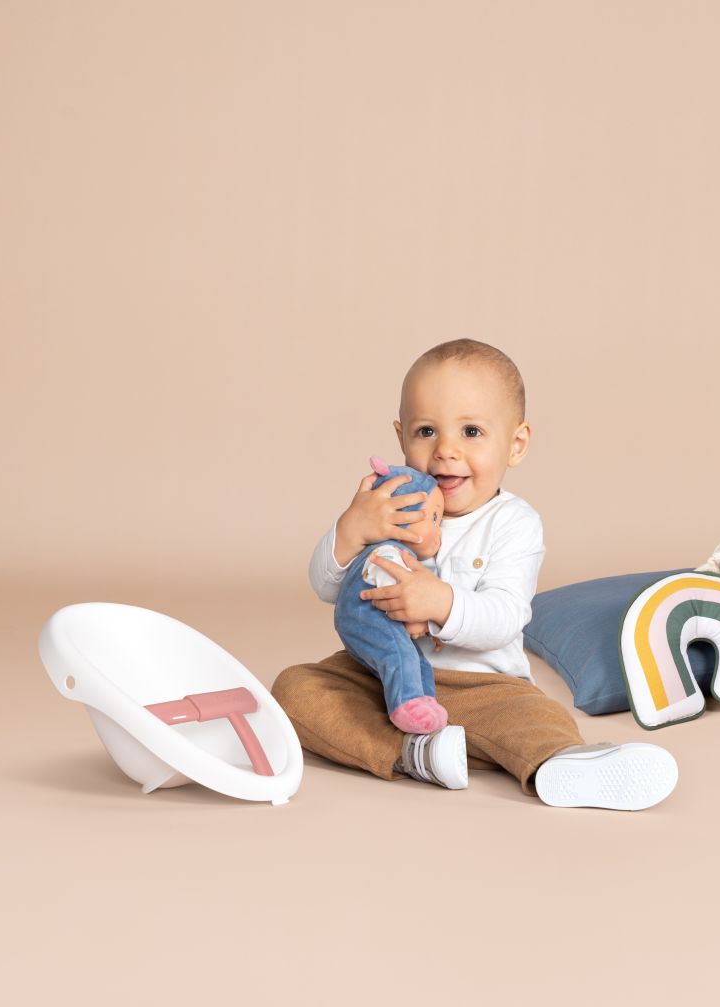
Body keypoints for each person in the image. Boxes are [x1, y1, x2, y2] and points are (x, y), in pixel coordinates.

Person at [272, 338, 679, 808]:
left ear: (515, 444)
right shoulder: (390, 508)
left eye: (471, 432)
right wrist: (350, 530)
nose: (445, 450)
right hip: (381, 677)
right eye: (426, 431)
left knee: (533, 717)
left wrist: (440, 603)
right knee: (296, 689)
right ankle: (415, 753)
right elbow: (329, 589)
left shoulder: (514, 523)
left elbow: (506, 616)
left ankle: (562, 763)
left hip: (484, 685)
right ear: (401, 438)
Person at [333, 457, 449, 734]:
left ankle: (423, 708)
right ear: (399, 518)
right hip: (366, 620)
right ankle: (407, 708)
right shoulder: (388, 553)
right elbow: (394, 587)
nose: (439, 533)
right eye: (433, 519)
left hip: (378, 623)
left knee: (414, 661)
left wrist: (435, 619)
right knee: (399, 655)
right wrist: (416, 619)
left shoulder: (403, 553)